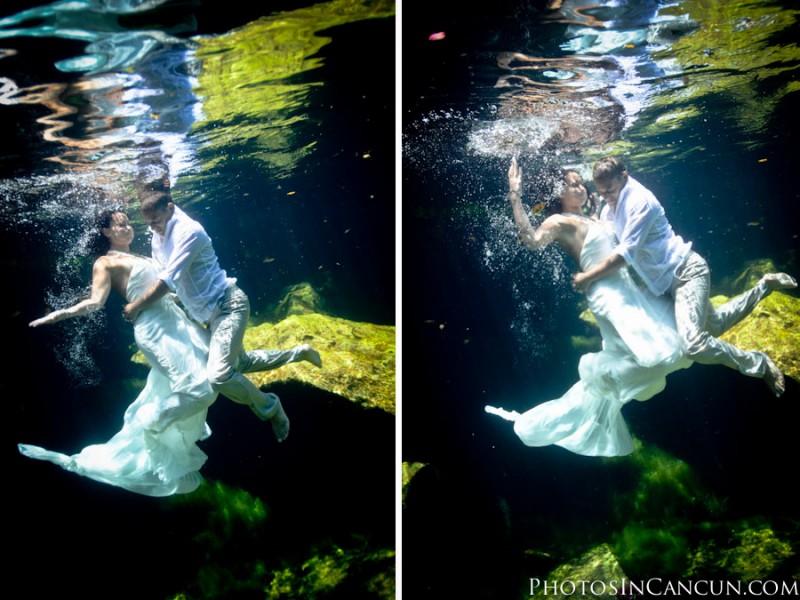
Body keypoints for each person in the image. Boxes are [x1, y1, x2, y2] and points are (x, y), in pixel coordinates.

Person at [486, 158, 791, 456]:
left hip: (637, 289)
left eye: (581, 183)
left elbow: (626, 245)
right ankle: (756, 355)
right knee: (666, 352)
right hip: (609, 295)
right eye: (572, 185)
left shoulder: (598, 212)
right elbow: (530, 240)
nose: (581, 189)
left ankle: (763, 288)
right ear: (559, 193)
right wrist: (515, 194)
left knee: (694, 337)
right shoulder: (559, 221)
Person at [21, 209, 218, 495]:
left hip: (176, 322)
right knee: (193, 385)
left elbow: (168, 288)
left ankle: (157, 422)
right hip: (154, 329)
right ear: (106, 232)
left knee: (206, 375)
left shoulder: (143, 256)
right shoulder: (105, 262)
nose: (127, 228)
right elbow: (95, 302)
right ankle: (152, 422)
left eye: (128, 223)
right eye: (119, 224)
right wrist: (60, 314)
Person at [573, 156, 796, 397]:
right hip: (667, 285)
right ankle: (765, 286)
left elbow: (625, 253)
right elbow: (605, 233)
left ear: (624, 176)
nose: (607, 197)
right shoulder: (610, 208)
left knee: (694, 345)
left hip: (688, 273)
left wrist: (589, 277)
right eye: (602, 193)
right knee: (716, 325)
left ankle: (759, 364)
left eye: (610, 190)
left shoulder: (640, 201)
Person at [123, 182, 322, 443]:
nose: (153, 228)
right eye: (148, 224)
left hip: (228, 306)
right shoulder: (157, 236)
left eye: (156, 221)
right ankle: (299, 353)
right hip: (207, 316)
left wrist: (137, 305)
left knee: (218, 375)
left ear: (170, 207)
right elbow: (163, 274)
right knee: (242, 363)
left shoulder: (190, 231)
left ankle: (271, 407)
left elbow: (169, 280)